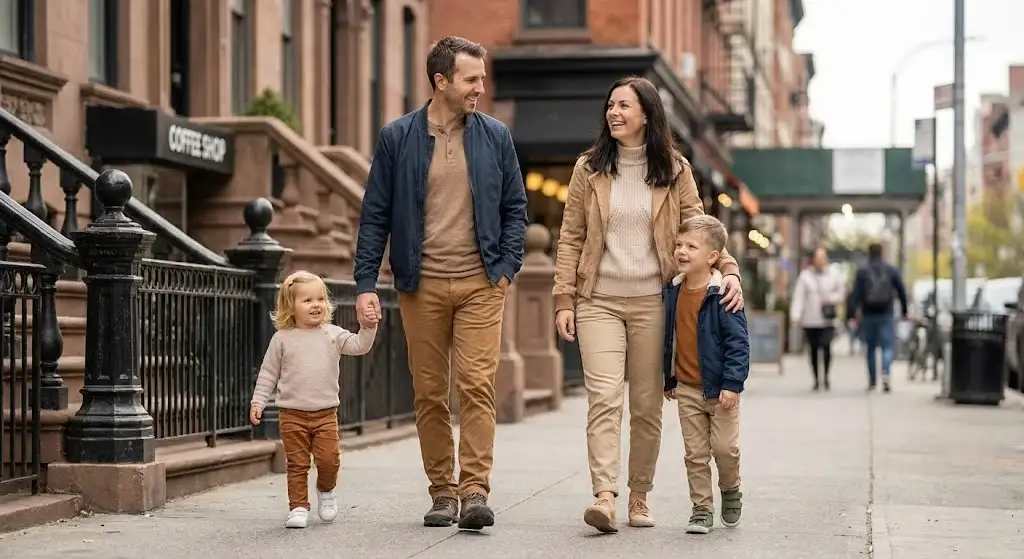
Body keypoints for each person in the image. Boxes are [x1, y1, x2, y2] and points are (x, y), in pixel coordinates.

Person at [552, 75, 744, 534]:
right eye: (610, 105)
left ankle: (639, 495)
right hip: (597, 298)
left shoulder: (675, 170)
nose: (613, 112)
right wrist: (564, 298)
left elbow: (702, 229)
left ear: (646, 114)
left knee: (645, 405)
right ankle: (605, 496)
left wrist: (730, 269)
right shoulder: (589, 168)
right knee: (603, 397)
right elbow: (571, 236)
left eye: (623, 105)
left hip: (654, 303)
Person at [353, 36, 528, 530]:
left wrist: (506, 269)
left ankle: (474, 489)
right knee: (429, 391)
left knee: (476, 385)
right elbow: (375, 215)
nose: (481, 87)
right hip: (420, 283)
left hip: (480, 282)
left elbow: (516, 207)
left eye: (482, 77)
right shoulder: (397, 137)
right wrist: (366, 281)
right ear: (441, 81)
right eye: (472, 79)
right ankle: (442, 492)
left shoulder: (495, 136)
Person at [250, 270, 379, 529]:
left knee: (329, 460)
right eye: (307, 300)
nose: (316, 305)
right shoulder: (282, 339)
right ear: (291, 306)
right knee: (297, 464)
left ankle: (326, 489)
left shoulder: (332, 334)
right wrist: (258, 401)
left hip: (325, 413)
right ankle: (298, 506)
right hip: (291, 413)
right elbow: (268, 373)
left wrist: (368, 326)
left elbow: (359, 345)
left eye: (320, 299)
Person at [663, 215, 750, 535]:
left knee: (725, 450)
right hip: (686, 388)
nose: (681, 252)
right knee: (695, 454)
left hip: (720, 390)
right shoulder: (673, 290)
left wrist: (732, 384)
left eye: (691, 247)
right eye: (679, 245)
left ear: (713, 257)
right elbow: (671, 339)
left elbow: (739, 344)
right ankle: (701, 508)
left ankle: (730, 488)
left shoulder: (723, 293)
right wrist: (669, 378)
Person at [847, 243, 909, 392]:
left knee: (870, 348)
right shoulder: (891, 270)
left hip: (868, 314)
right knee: (887, 346)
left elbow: (855, 294)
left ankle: (872, 381)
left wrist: (851, 314)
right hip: (886, 313)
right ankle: (886, 373)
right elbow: (901, 291)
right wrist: (904, 311)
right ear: (882, 253)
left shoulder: (862, 271)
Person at [789, 247, 845, 390]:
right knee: (813, 349)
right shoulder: (805, 276)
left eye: (823, 258)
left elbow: (841, 294)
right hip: (810, 319)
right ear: (814, 260)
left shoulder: (834, 274)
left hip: (827, 319)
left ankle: (825, 377)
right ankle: (816, 379)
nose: (820, 261)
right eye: (817, 258)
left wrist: (830, 298)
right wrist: (795, 315)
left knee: (826, 347)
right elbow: (799, 297)